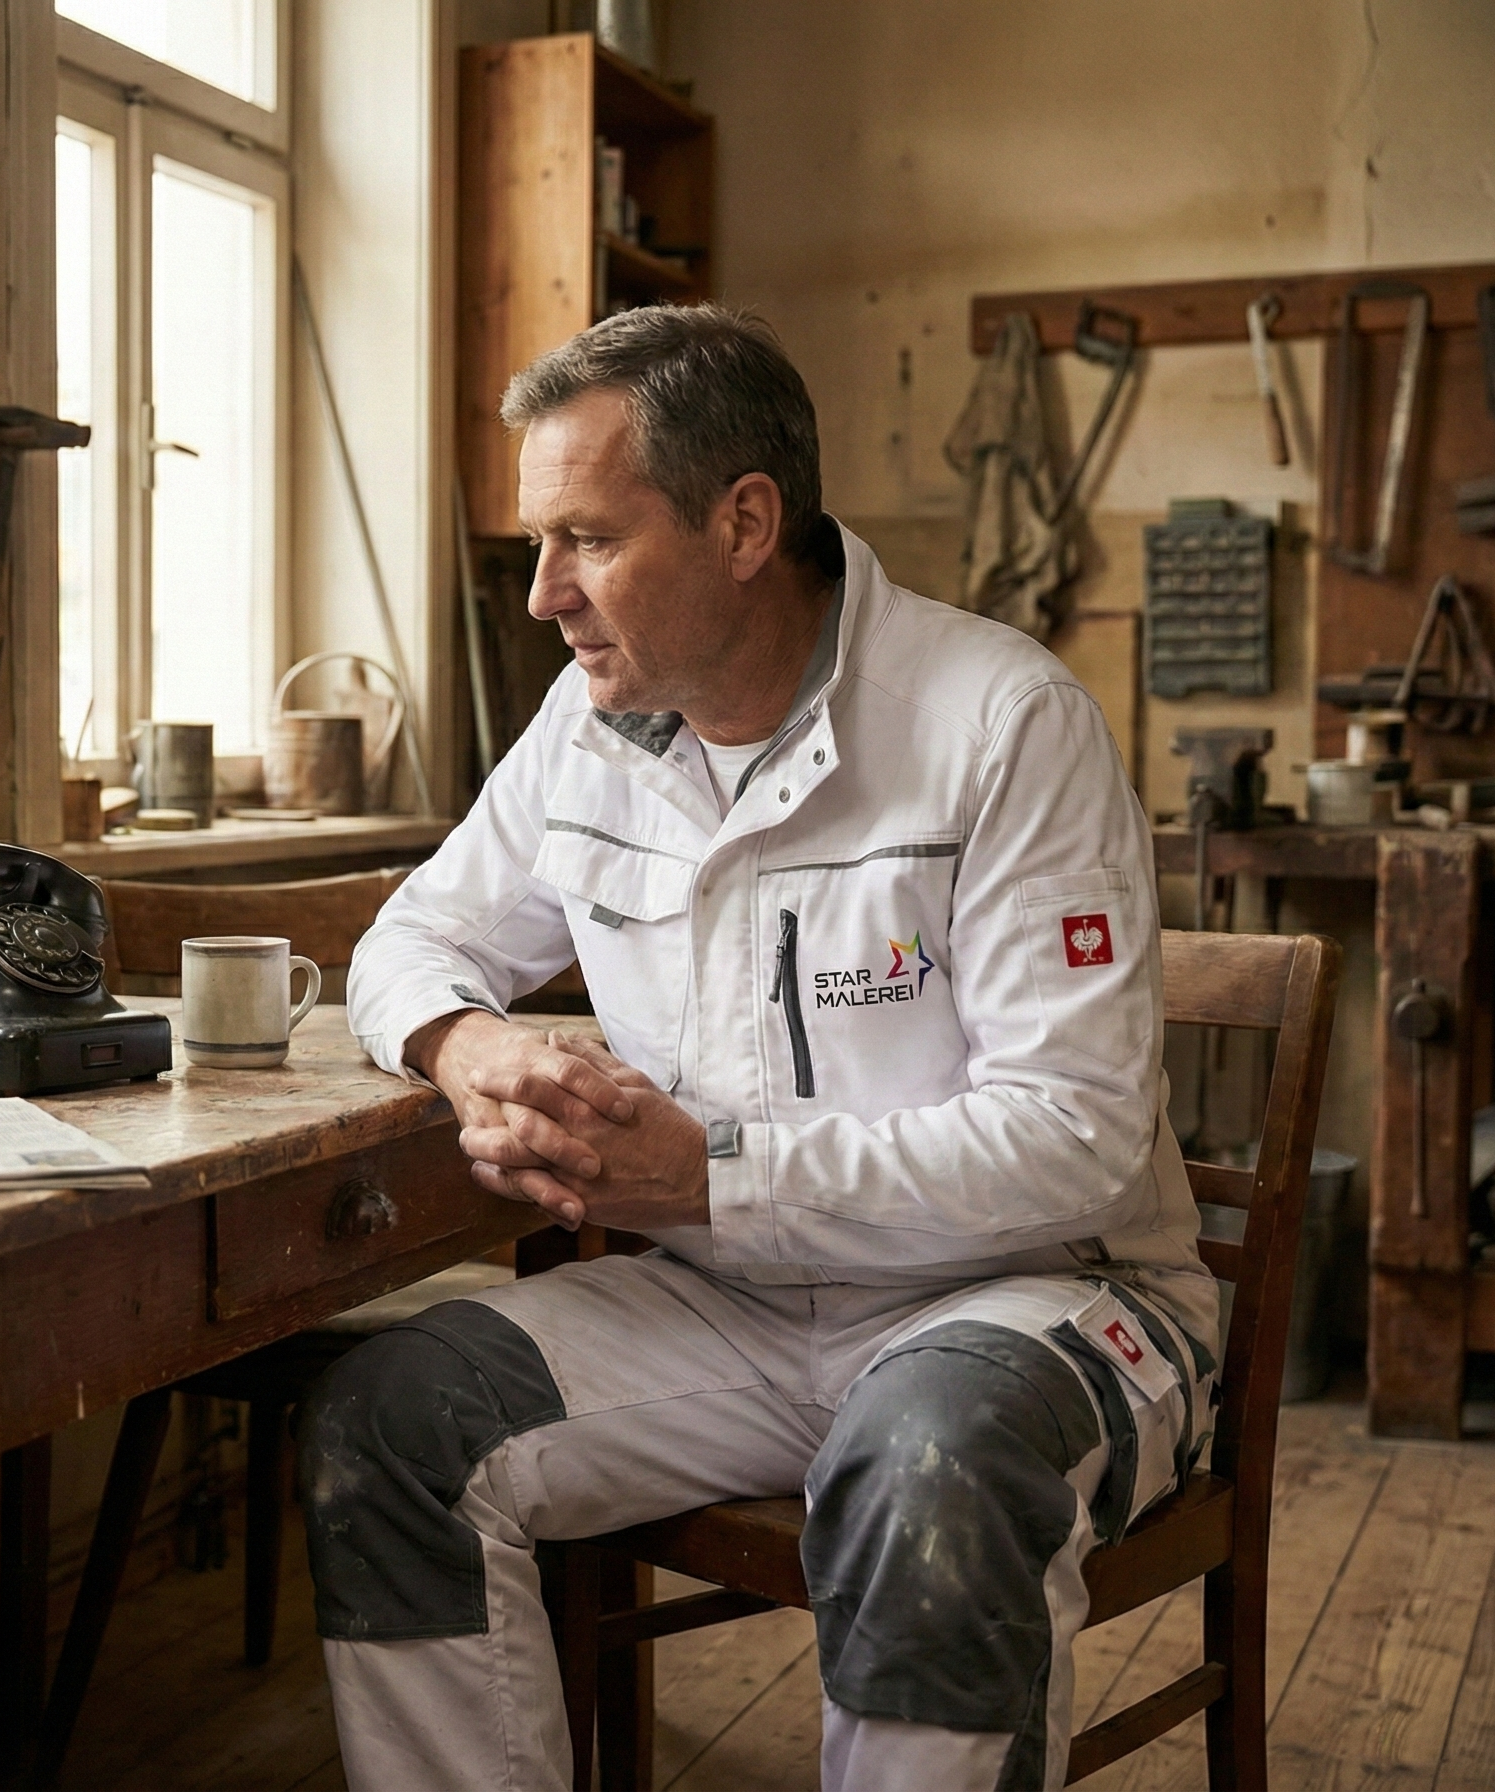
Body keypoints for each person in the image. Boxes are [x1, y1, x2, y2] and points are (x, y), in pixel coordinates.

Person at [300, 304, 1215, 1792]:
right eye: (540, 543)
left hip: (1032, 1295)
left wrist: (709, 1176)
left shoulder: (1000, 720)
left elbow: (1078, 1138)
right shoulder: (590, 729)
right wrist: (465, 1046)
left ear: (742, 524)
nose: (543, 594)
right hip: (728, 1309)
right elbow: (411, 941)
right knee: (390, 1422)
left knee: (928, 1462)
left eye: (589, 540)